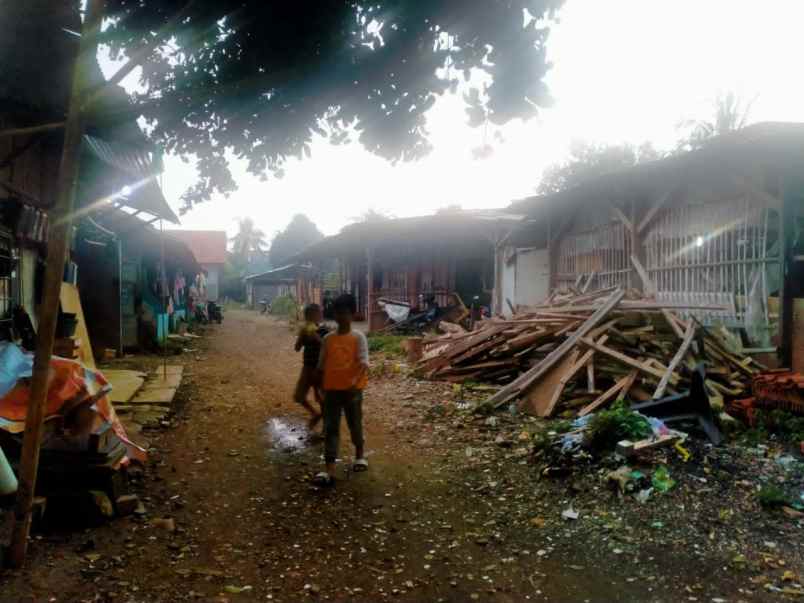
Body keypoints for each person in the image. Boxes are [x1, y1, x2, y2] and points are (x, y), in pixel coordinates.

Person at [313, 293, 369, 487]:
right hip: (331, 391)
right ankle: (328, 469)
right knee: (330, 429)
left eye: (344, 313)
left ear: (352, 314)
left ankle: (360, 456)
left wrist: (354, 381)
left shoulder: (358, 337)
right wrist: (318, 387)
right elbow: (320, 366)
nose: (341, 316)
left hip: (353, 391)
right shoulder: (328, 339)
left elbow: (363, 363)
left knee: (355, 425)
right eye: (337, 312)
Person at [293, 304, 327, 428]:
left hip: (320, 369)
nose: (321, 315)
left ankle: (326, 427)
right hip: (307, 368)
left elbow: (326, 346)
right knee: (298, 396)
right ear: (311, 316)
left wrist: (316, 337)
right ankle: (315, 414)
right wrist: (302, 337)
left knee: (322, 399)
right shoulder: (304, 330)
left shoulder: (324, 330)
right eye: (319, 313)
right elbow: (297, 348)